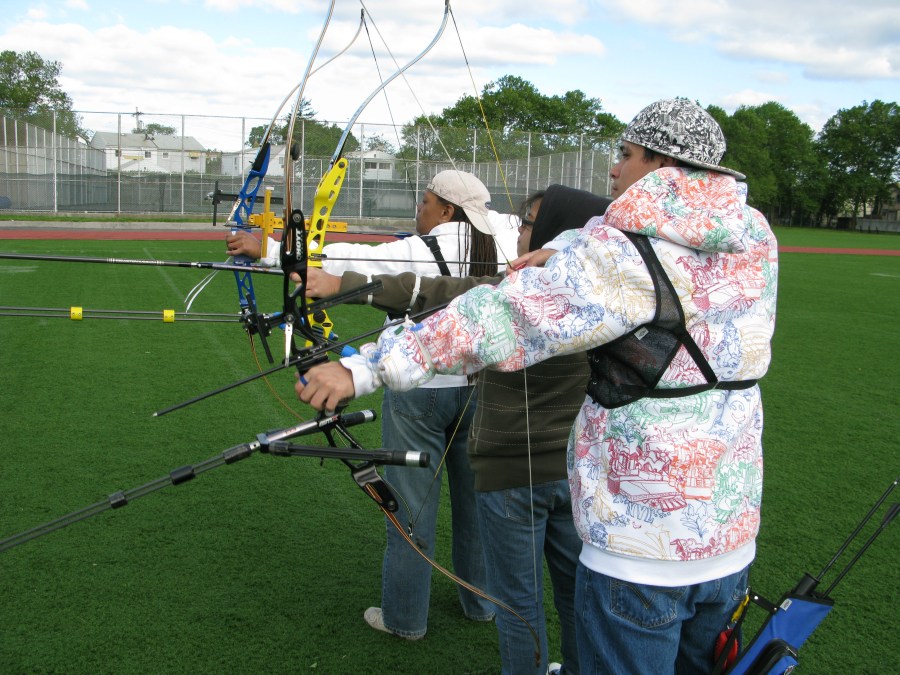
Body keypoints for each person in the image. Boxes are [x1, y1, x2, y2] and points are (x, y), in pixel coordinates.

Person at [295, 99, 779, 674]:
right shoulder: (753, 238)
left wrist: (365, 368)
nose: (613, 169)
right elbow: (639, 256)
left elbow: (502, 318)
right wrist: (567, 249)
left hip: (642, 547)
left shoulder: (623, 255)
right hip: (728, 536)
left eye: (625, 154)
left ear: (662, 162)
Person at [304, 185, 612, 674]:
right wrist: (347, 285)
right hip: (575, 471)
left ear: (557, 233)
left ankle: (414, 618)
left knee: (520, 603)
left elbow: (452, 302)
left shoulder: (526, 296)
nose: (519, 230)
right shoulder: (608, 293)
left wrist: (359, 356)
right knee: (576, 590)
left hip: (515, 471)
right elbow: (446, 293)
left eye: (529, 222)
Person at [229, 170, 517, 641]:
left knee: (409, 510)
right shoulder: (507, 239)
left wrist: (266, 247)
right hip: (483, 389)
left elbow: (339, 259)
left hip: (418, 391)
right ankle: (482, 603)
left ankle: (405, 618)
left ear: (447, 210)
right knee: (477, 503)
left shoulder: (418, 249)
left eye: (426, 202)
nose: (419, 209)